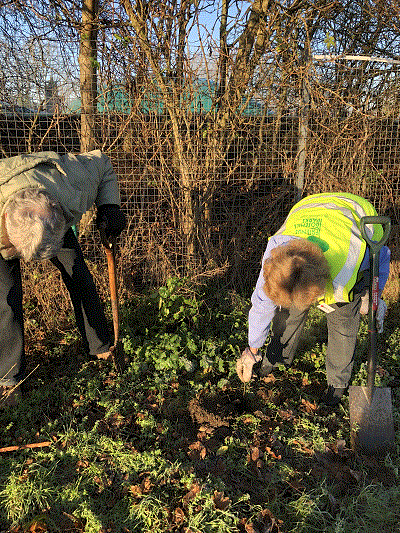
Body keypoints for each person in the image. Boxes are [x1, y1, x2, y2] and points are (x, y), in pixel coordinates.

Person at [236, 192, 390, 406]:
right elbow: (262, 305)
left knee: (343, 321)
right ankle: (276, 362)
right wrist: (252, 351)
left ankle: (336, 386)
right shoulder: (276, 255)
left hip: (358, 215)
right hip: (310, 207)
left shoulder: (346, 268)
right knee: (287, 312)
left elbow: (382, 257)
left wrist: (375, 296)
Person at [0, 150, 126, 406]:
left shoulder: (75, 182)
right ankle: (8, 379)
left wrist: (109, 205)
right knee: (5, 298)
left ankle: (101, 346)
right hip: (7, 217)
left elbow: (103, 164)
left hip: (42, 210)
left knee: (78, 275)